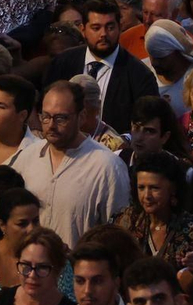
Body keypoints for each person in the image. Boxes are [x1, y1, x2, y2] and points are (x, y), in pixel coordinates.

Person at [10, 83, 129, 249]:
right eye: (46, 116)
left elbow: (118, 236)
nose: (51, 125)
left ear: (81, 117)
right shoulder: (27, 157)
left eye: (61, 118)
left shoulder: (107, 167)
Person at [43, 0, 158, 133]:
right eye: (96, 28)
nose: (103, 34)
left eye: (110, 27)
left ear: (120, 27)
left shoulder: (139, 75)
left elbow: (147, 126)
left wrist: (122, 140)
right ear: (83, 30)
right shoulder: (62, 63)